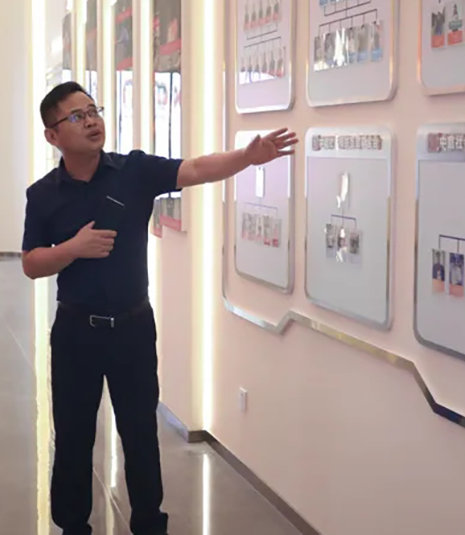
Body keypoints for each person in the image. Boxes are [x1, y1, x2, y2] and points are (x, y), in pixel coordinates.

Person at [22, 82, 297, 535]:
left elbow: (197, 168)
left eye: (93, 111)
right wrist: (72, 248)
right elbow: (32, 263)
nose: (91, 121)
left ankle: (150, 524)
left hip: (132, 328)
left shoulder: (134, 171)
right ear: (53, 135)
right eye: (76, 116)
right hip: (75, 332)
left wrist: (246, 158)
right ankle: (72, 526)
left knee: (140, 434)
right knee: (72, 436)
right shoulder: (42, 194)